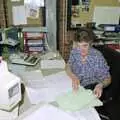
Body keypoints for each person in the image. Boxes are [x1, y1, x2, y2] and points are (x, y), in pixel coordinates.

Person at [66, 29, 111, 98]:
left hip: (91, 88)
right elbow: (68, 65)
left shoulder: (97, 57)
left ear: (90, 44)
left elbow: (108, 78)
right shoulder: (74, 51)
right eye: (78, 46)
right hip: (76, 85)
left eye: (85, 46)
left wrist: (100, 85)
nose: (81, 50)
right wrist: (72, 76)